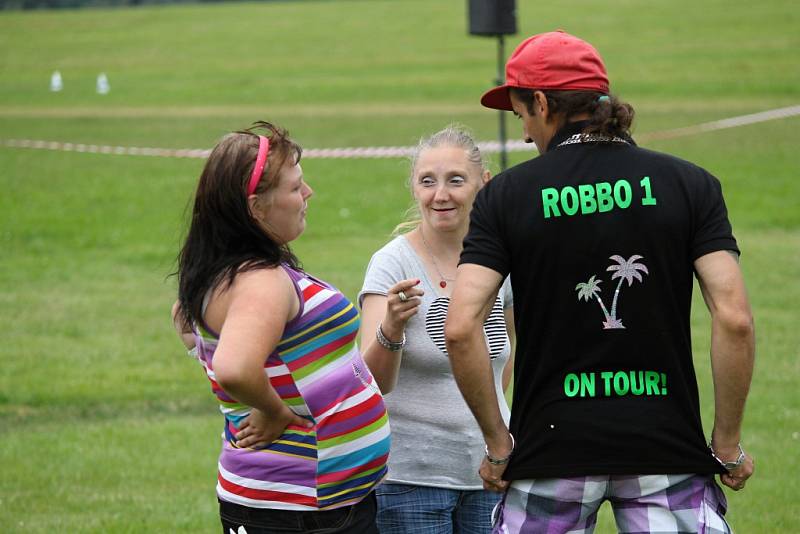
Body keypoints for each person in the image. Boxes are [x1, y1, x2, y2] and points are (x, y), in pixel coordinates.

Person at [444, 31, 755, 534]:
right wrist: (726, 442)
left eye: (522, 113)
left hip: (550, 449)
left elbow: (460, 327)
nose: (524, 133)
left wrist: (499, 445)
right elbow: (735, 318)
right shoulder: (691, 183)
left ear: (543, 103)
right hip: (665, 447)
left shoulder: (506, 195)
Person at [173, 121, 390, 534]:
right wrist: (275, 411)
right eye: (295, 188)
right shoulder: (262, 283)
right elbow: (235, 366)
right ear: (255, 208)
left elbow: (186, 324)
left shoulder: (224, 273)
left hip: (299, 503)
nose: (308, 194)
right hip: (301, 509)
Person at [358, 125, 515, 533]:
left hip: (490, 472)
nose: (440, 195)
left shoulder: (502, 261)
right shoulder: (393, 264)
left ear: (484, 184)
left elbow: (510, 352)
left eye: (455, 181)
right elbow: (371, 381)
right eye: (427, 181)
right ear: (414, 187)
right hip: (411, 480)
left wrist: (495, 423)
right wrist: (391, 327)